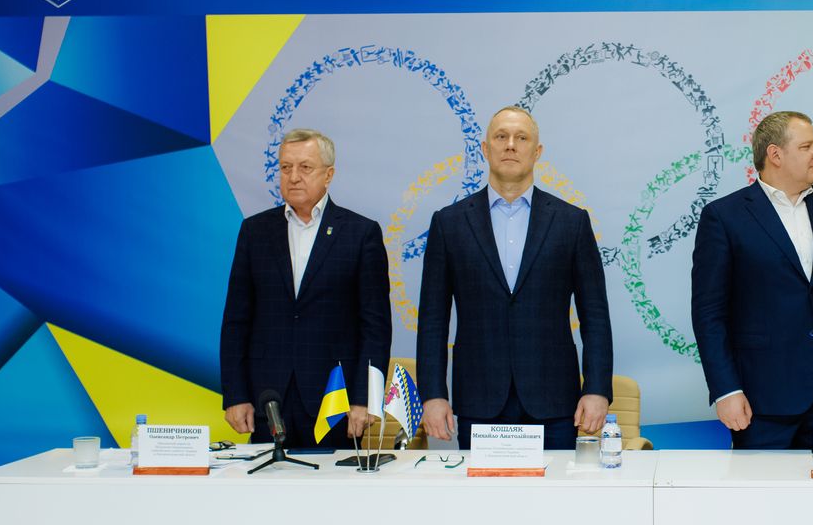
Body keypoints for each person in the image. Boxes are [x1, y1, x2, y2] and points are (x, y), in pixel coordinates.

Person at [416, 106, 612, 450]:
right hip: (480, 400)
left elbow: (595, 316)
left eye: (521, 138)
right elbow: (433, 319)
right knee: (483, 490)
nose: (510, 145)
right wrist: (432, 394)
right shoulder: (449, 223)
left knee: (556, 488)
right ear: (485, 148)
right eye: (501, 136)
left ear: (537, 152)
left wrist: (596, 389)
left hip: (554, 402)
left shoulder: (571, 222)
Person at [690, 110, 813, 449]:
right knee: (762, 485)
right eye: (806, 146)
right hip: (760, 398)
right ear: (775, 154)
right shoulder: (724, 217)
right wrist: (726, 389)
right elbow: (709, 313)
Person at [220, 128, 390, 448]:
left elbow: (375, 327)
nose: (294, 177)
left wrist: (364, 398)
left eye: (305, 167)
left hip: (335, 404)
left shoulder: (360, 233)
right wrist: (235, 394)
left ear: (329, 175)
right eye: (286, 167)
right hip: (268, 401)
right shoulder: (255, 231)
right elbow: (236, 322)